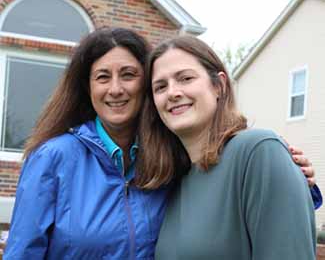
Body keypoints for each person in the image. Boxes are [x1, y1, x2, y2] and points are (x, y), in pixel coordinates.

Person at [3, 27, 321, 259]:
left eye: (129, 74)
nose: (115, 88)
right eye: (102, 77)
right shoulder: (54, 158)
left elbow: (246, 207)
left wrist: (291, 173)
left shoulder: (166, 164)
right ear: (86, 89)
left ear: (218, 85)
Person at [137, 35, 317, 259]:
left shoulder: (258, 152)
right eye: (160, 86)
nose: (173, 92)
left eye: (185, 78)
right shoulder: (174, 181)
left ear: (219, 86)